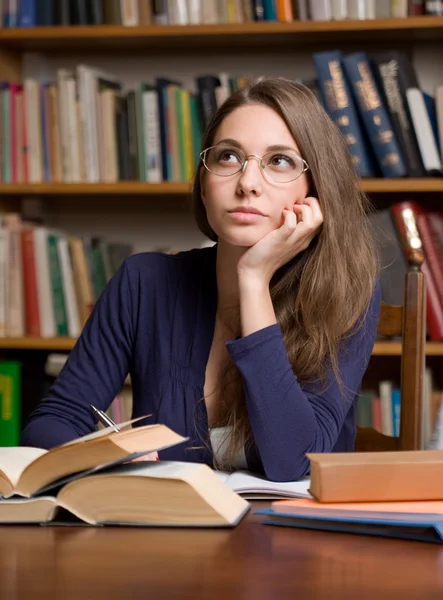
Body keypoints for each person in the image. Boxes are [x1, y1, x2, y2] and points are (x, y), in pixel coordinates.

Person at [21, 77, 381, 482]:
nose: (247, 183)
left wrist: (253, 279)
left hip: (297, 540)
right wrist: (113, 459)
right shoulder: (144, 282)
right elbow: (51, 423)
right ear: (205, 184)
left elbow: (292, 462)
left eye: (279, 161)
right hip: (167, 534)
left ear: (315, 190)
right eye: (229, 157)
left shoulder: (348, 294)